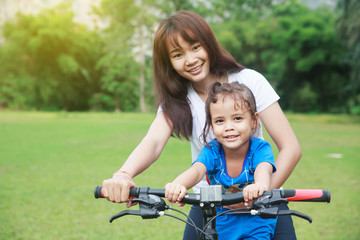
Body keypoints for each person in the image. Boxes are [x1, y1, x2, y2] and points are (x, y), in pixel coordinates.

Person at [102, 10, 301, 240]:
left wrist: (257, 196)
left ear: (208, 44)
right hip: (208, 202)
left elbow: (291, 148)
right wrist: (123, 174)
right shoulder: (176, 102)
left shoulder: (250, 81)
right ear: (169, 63)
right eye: (177, 55)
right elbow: (153, 142)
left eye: (195, 47)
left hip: (263, 200)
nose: (190, 60)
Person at [165, 82, 277, 240]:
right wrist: (178, 184)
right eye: (219, 121)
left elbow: (263, 169)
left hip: (257, 219)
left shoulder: (260, 149)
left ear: (254, 120)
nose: (228, 127)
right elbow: (197, 170)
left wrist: (260, 186)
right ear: (211, 125)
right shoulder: (212, 151)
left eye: (237, 118)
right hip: (223, 219)